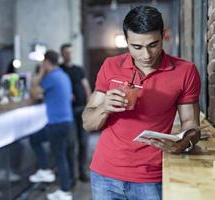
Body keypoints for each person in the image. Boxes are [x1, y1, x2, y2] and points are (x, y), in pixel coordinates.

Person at [82, 6, 201, 200]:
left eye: (153, 44)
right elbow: (88, 123)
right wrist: (104, 107)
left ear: (164, 35)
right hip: (105, 175)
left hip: (152, 178)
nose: (146, 55)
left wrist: (183, 143)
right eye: (136, 47)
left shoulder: (185, 71)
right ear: (126, 41)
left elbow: (191, 125)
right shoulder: (110, 66)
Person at [29, 50, 74, 200]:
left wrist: (41, 73)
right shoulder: (62, 75)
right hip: (65, 122)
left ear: (47, 62)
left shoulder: (51, 77)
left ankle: (61, 188)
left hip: (57, 123)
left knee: (39, 142)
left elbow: (34, 92)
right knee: (59, 155)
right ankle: (59, 184)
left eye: (43, 62)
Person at [60, 43, 92, 182]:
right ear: (62, 54)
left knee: (83, 142)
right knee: (71, 144)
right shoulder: (59, 70)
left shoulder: (78, 69)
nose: (69, 55)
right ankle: (72, 175)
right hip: (68, 112)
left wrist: (91, 104)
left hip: (82, 109)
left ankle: (83, 171)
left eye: (70, 52)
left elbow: (86, 86)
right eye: (66, 52)